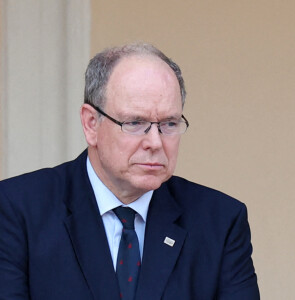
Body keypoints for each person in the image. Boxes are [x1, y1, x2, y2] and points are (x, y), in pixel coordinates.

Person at [0, 43, 259, 299]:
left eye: (169, 123)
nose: (155, 142)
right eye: (135, 122)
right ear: (91, 124)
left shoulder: (220, 221)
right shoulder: (17, 210)